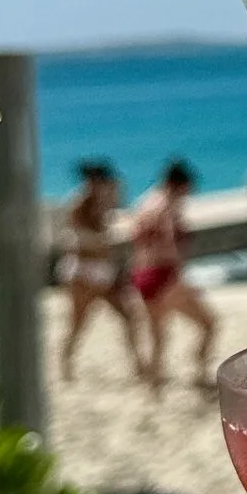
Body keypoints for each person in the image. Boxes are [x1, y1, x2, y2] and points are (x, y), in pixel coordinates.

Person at [58, 162, 150, 381]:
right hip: (84, 274)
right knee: (78, 323)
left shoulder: (102, 202)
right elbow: (75, 239)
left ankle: (138, 365)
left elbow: (120, 209)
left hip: (103, 272)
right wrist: (102, 241)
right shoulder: (79, 203)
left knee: (129, 316)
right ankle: (65, 364)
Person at [129, 159, 218, 387]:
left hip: (141, 273)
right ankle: (199, 373)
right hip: (163, 274)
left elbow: (136, 238)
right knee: (208, 323)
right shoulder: (168, 206)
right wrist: (181, 276)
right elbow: (169, 245)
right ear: (179, 184)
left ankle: (154, 386)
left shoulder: (145, 201)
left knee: (158, 336)